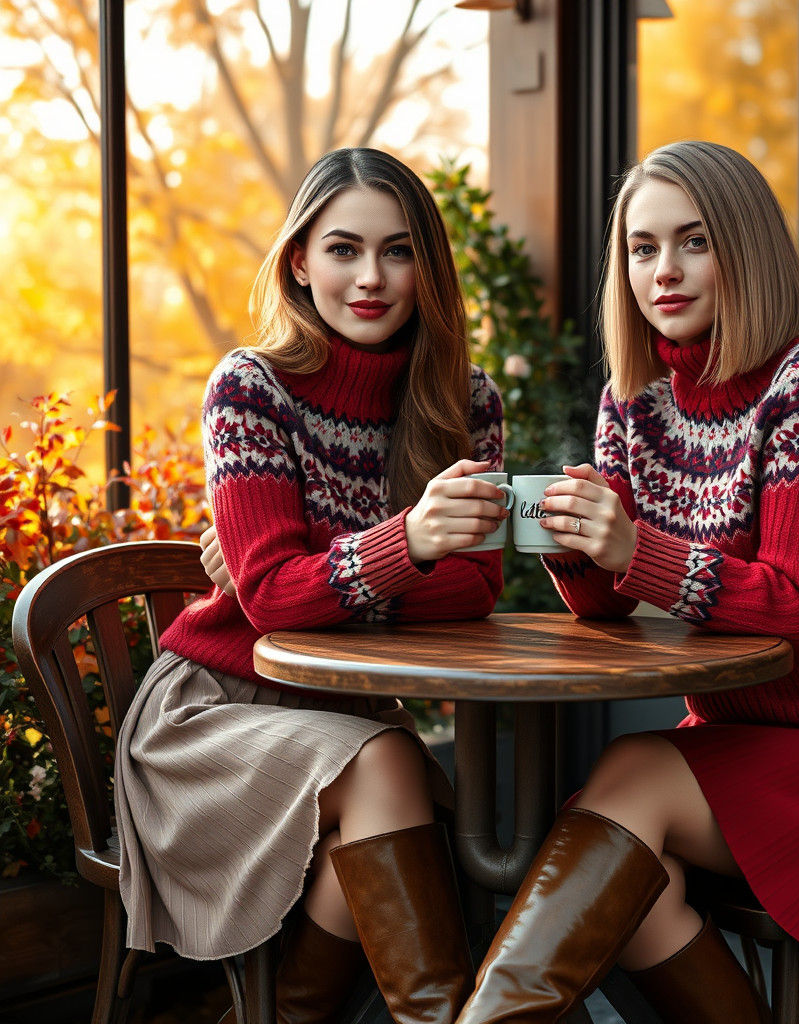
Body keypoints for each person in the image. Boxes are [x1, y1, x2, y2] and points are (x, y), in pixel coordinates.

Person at [451, 141, 799, 1024]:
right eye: (642, 249)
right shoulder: (634, 398)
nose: (665, 270)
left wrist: (636, 547)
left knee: (623, 790)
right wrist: (581, 540)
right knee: (621, 853)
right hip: (741, 738)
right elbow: (611, 603)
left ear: (745, 248)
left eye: (693, 242)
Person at [113, 147, 508, 1024]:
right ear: (300, 259)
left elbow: (474, 588)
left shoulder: (463, 400)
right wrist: (407, 542)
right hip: (215, 718)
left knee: (381, 782)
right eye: (343, 249)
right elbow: (270, 602)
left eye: (399, 251)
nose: (371, 278)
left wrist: (319, 568)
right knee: (391, 765)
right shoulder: (251, 388)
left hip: (346, 719)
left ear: (427, 267)